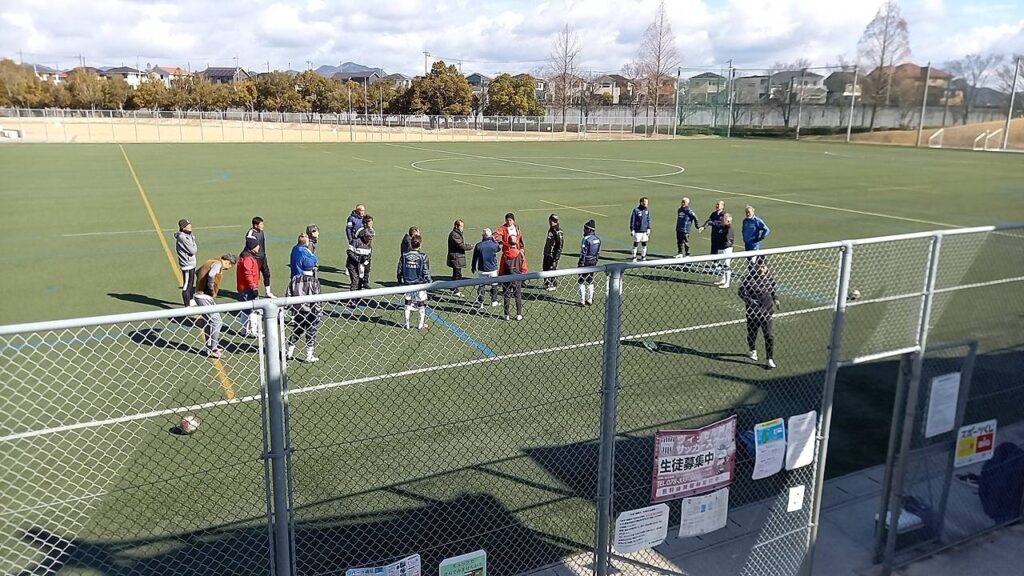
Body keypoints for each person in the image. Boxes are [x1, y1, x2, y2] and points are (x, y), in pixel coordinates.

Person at [194, 253, 237, 358]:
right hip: (204, 297)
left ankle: (209, 346)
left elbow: (197, 272)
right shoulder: (217, 264)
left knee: (208, 321)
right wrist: (211, 290)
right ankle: (213, 348)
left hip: (200, 295)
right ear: (228, 262)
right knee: (217, 322)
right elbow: (211, 275)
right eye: (230, 266)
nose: (227, 269)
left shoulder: (210, 261)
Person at [738, 258, 778, 369]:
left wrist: (776, 299)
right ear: (755, 267)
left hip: (767, 313)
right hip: (753, 313)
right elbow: (740, 292)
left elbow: (773, 291)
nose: (761, 268)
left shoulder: (770, 279)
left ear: (766, 268)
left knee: (769, 335)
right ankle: (752, 350)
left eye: (763, 266)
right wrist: (750, 301)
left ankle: (769, 359)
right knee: (752, 333)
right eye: (759, 266)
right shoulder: (749, 279)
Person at [285, 245, 322, 363]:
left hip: (297, 310)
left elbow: (288, 294)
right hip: (311, 311)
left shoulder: (295, 279)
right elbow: (317, 299)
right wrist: (318, 312)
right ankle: (309, 355)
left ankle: (289, 352)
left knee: (296, 330)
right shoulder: (315, 282)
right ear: (313, 267)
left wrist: (289, 308)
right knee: (311, 332)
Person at [493, 213, 526, 321]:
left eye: (510, 220)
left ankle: (511, 314)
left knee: (510, 294)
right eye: (507, 220)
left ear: (513, 221)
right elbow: (496, 234)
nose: (509, 222)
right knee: (515, 294)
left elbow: (520, 239)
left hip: (515, 253)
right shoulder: (503, 228)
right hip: (510, 254)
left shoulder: (517, 228)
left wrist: (522, 248)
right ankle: (514, 314)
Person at [397, 234, 432, 330]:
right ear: (420, 244)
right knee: (421, 303)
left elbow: (399, 269)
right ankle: (421, 324)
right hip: (420, 284)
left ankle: (407, 323)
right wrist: (430, 282)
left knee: (407, 303)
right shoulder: (423, 256)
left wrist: (399, 280)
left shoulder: (404, 255)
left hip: (408, 283)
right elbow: (425, 271)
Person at [236, 238, 262, 337]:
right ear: (252, 247)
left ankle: (244, 330)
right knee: (252, 309)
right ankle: (252, 331)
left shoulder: (245, 256)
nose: (258, 247)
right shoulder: (248, 258)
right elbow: (248, 274)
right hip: (248, 288)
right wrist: (253, 287)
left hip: (244, 288)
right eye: (257, 246)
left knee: (245, 310)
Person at [471, 228, 501, 308]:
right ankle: (494, 301)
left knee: (481, 286)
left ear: (483, 235)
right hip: (492, 269)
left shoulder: (478, 245)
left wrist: (473, 267)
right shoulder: (494, 245)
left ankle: (480, 302)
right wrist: (494, 241)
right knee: (494, 285)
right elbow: (498, 249)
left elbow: (475, 258)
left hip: (482, 269)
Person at [245, 216, 274, 297]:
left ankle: (268, 292)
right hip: (254, 259)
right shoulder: (250, 235)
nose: (263, 226)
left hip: (262, 257)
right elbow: (251, 247)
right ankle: (253, 294)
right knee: (255, 277)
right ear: (255, 225)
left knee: (267, 274)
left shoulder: (261, 232)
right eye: (261, 224)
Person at [578, 219, 602, 306]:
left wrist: (581, 262)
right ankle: (590, 299)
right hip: (593, 262)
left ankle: (582, 300)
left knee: (581, 280)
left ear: (589, 229)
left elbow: (583, 252)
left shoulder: (586, 239)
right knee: (590, 280)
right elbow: (598, 252)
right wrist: (596, 260)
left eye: (585, 228)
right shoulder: (598, 239)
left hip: (585, 262)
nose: (583, 230)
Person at [175, 218, 198, 306]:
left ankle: (191, 300)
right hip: (187, 264)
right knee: (187, 285)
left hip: (191, 263)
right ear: (183, 228)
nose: (190, 227)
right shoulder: (183, 237)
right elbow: (193, 250)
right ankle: (187, 306)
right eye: (188, 226)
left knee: (191, 283)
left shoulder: (188, 235)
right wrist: (194, 243)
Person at [447, 219, 472, 296]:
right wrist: (470, 246)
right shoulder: (454, 235)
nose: (462, 228)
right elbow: (461, 246)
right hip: (456, 258)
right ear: (456, 226)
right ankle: (455, 290)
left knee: (456, 274)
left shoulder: (457, 234)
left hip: (456, 257)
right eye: (461, 226)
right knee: (457, 275)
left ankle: (453, 288)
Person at [711, 212, 735, 288]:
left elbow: (729, 239)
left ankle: (727, 283)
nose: (722, 220)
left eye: (724, 219)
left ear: (728, 220)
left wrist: (726, 245)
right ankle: (723, 279)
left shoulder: (729, 228)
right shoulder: (722, 227)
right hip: (720, 247)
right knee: (721, 264)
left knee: (726, 265)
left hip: (726, 249)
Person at [542, 213, 564, 291]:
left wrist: (556, 257)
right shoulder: (551, 229)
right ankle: (547, 283)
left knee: (552, 269)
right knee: (545, 268)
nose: (551, 222)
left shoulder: (558, 231)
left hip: (552, 255)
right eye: (550, 221)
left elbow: (560, 246)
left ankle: (553, 284)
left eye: (553, 221)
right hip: (547, 253)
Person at [629, 196, 652, 261]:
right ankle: (634, 257)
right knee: (636, 244)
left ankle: (643, 256)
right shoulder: (636, 210)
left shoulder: (647, 210)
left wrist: (648, 228)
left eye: (647, 202)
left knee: (644, 244)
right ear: (641, 202)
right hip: (637, 230)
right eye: (645, 202)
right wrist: (632, 229)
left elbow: (648, 219)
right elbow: (633, 220)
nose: (646, 203)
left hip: (644, 230)